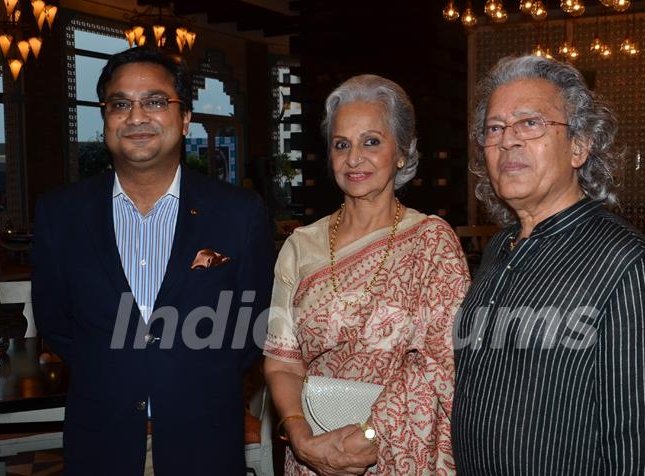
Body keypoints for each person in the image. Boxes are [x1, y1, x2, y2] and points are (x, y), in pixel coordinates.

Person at [31, 47, 273, 475]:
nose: (136, 116)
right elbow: (58, 325)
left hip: (204, 441)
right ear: (105, 119)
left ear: (184, 119)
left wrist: (186, 372)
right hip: (101, 442)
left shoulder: (240, 213)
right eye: (120, 104)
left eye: (156, 101)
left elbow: (253, 329)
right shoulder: (60, 214)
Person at [452, 55, 645, 474]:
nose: (508, 140)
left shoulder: (622, 265)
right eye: (494, 128)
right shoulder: (499, 250)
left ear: (579, 146)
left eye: (531, 123)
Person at [263, 74, 470, 475]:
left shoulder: (432, 242)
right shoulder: (301, 246)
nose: (354, 158)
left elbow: (442, 364)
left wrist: (371, 435)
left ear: (403, 153)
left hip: (401, 449)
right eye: (342, 144)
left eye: (371, 141)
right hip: (316, 449)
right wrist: (301, 437)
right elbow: (282, 362)